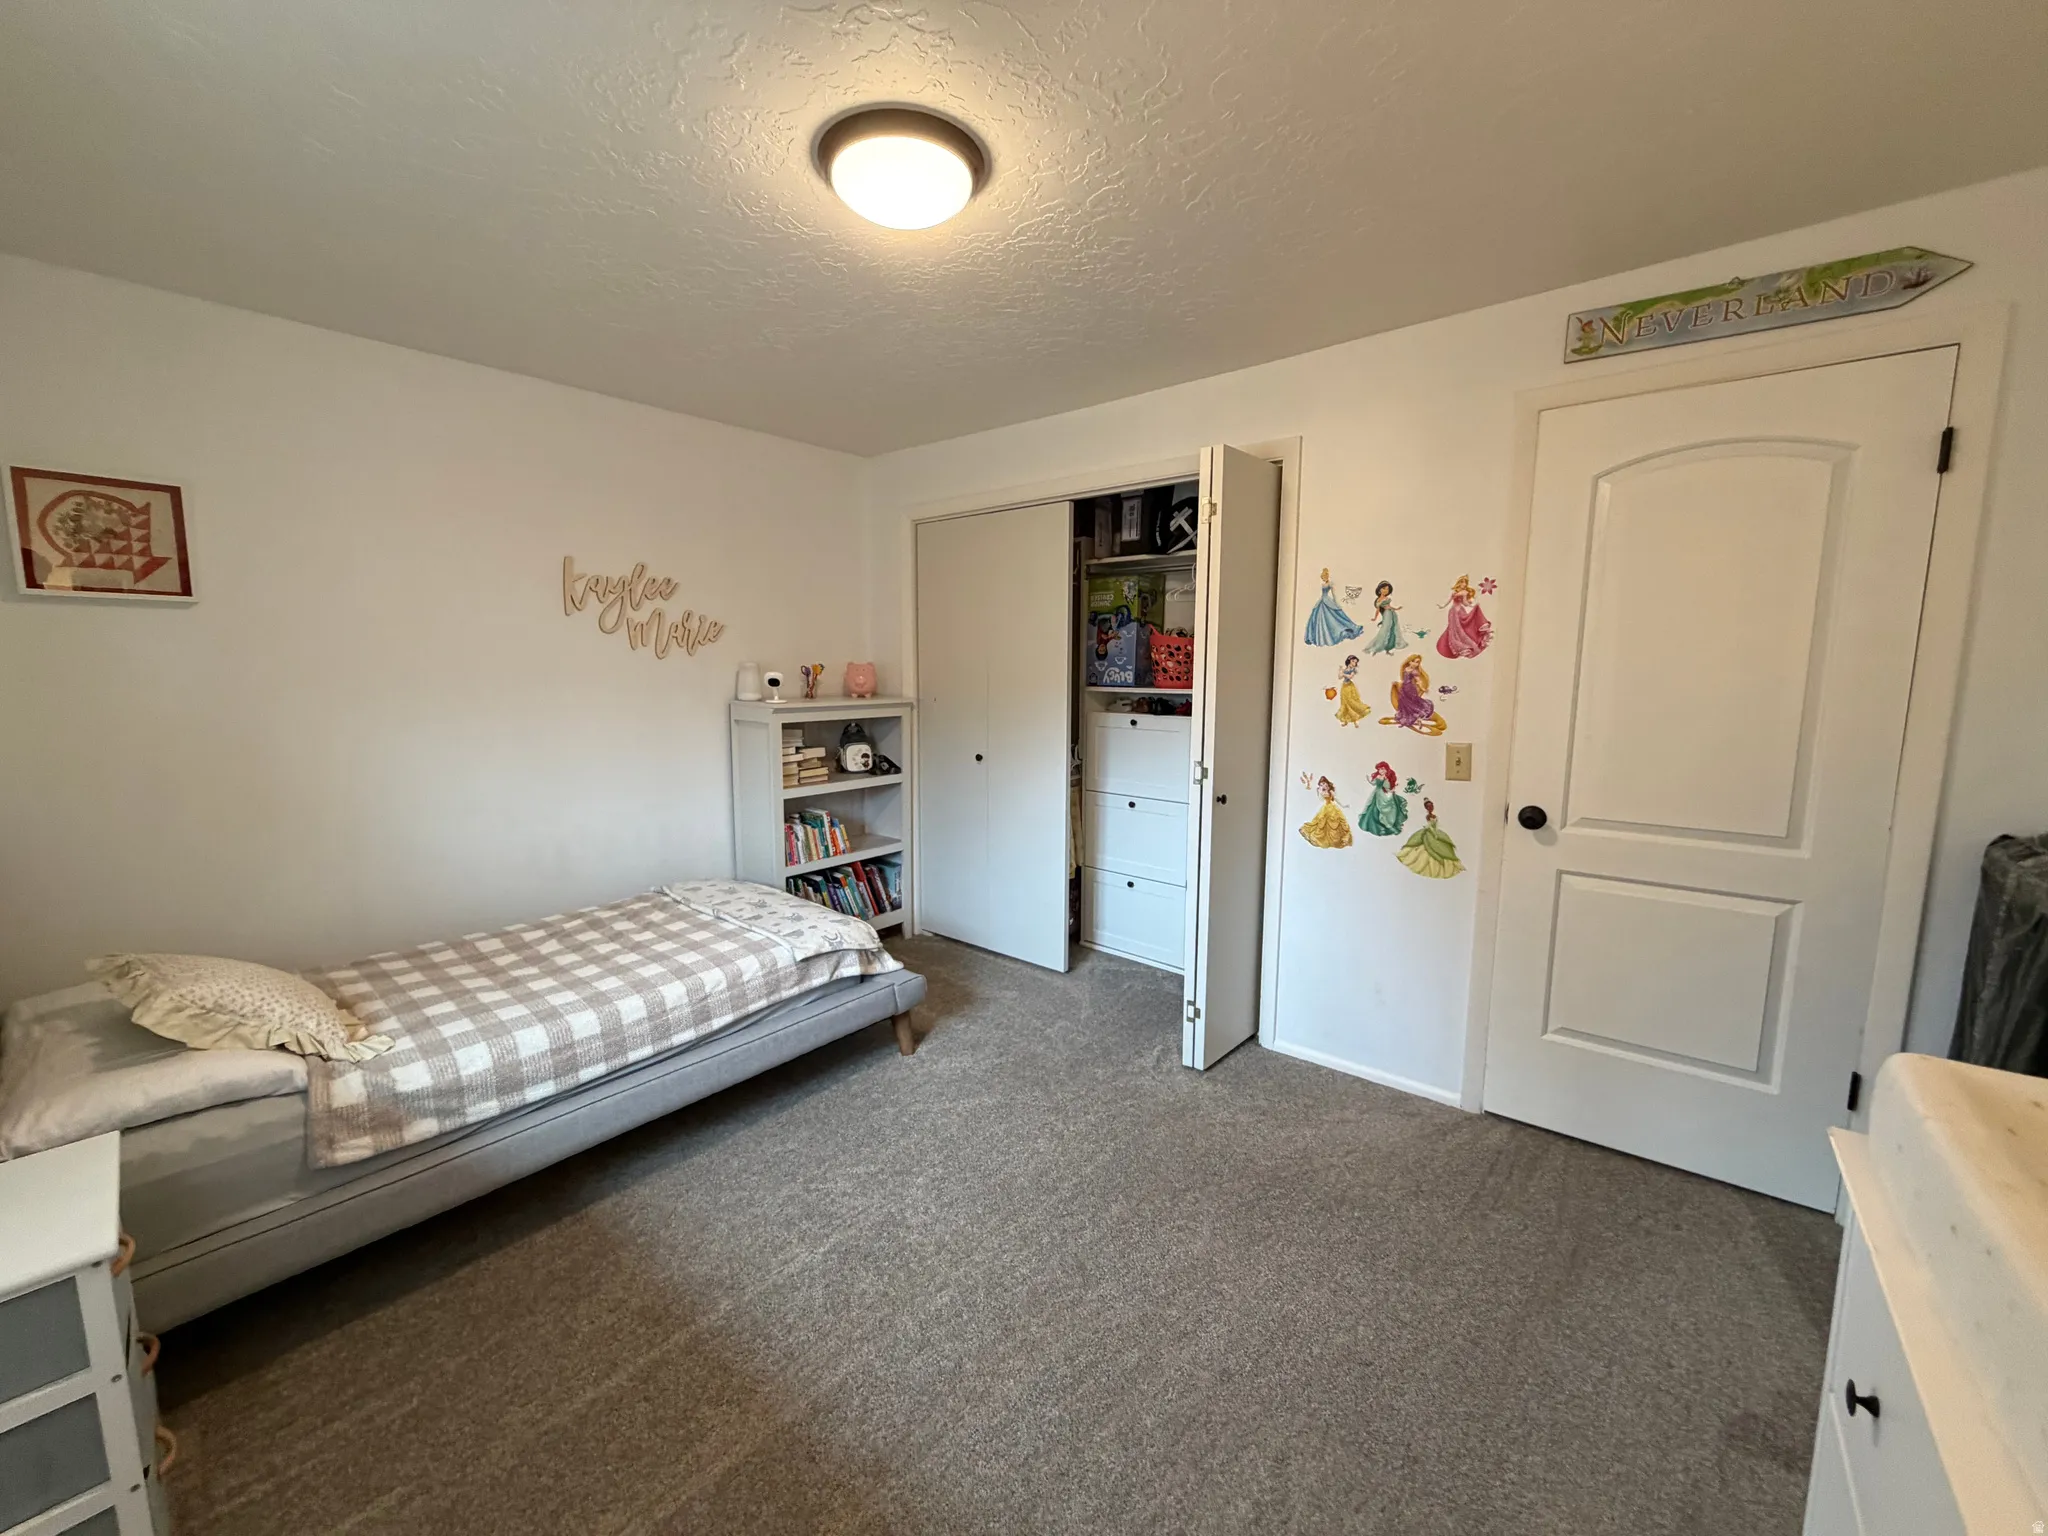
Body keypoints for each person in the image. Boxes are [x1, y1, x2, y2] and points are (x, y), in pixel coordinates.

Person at [1380, 654, 1448, 735]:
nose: (1415, 664)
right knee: (1405, 703)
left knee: (1414, 703)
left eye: (1417, 662)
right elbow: (1404, 679)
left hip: (1411, 690)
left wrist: (1423, 688)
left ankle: (1418, 718)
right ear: (1409, 661)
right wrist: (1397, 684)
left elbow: (1418, 680)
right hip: (1404, 689)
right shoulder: (1406, 669)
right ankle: (1411, 717)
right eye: (1414, 661)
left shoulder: (1414, 671)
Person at [1396, 799, 1464, 878]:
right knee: (1429, 845)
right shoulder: (1428, 816)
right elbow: (1430, 826)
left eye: (1431, 806)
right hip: (1430, 831)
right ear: (1427, 808)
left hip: (1436, 831)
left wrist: (1436, 832)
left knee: (1444, 845)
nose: (1431, 808)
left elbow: (1436, 824)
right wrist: (1434, 833)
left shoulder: (1434, 816)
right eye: (1429, 807)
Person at [1435, 575, 1493, 659]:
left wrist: (1472, 605)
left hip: (1460, 611)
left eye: (1465, 583)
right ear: (1460, 583)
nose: (1464, 584)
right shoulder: (1455, 591)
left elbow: (1465, 603)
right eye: (1463, 582)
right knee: (1453, 629)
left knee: (1462, 627)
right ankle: (1457, 645)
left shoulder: (1465, 592)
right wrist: (1442, 606)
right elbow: (1449, 601)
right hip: (1453, 612)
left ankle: (1467, 644)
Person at [1304, 568, 1365, 645]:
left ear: (1327, 576)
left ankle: (1342, 630)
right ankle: (1321, 637)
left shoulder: (1330, 584)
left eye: (1325, 577)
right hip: (1322, 600)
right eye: (1323, 577)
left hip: (1328, 600)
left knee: (1334, 616)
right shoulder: (1322, 584)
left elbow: (1334, 594)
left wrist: (1336, 604)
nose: (1324, 578)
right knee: (1318, 616)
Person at [1298, 773, 1353, 848]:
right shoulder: (1322, 792)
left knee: (1338, 823)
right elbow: (1320, 799)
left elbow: (1336, 799)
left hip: (1333, 808)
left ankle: (1339, 839)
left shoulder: (1330, 792)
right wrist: (1319, 791)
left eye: (1324, 784)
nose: (1323, 785)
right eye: (1321, 784)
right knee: (1320, 823)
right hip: (1325, 808)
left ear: (1327, 784)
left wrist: (1343, 805)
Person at [1357, 761, 1409, 837]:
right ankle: (1375, 825)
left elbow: (1388, 787)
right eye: (1379, 769)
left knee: (1390, 808)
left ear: (1386, 769)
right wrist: (1368, 780)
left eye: (1382, 769)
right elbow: (1374, 783)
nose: (1380, 771)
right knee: (1373, 808)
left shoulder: (1387, 778)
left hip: (1384, 794)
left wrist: (1391, 789)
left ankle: (1389, 824)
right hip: (1377, 794)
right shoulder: (1378, 777)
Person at [1362, 581, 1408, 655]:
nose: (1386, 590)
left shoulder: (1387, 598)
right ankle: (1376, 647)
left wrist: (1396, 609)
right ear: (1379, 589)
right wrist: (1375, 618)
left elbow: (1389, 606)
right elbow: (1378, 610)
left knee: (1393, 629)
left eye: (1387, 589)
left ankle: (1388, 649)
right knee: (1385, 630)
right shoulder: (1378, 600)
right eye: (1384, 588)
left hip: (1392, 614)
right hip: (1386, 615)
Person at [1333, 654, 1369, 726]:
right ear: (1349, 661)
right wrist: (1341, 671)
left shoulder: (1353, 670)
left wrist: (1343, 673)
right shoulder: (1345, 669)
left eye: (1355, 662)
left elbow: (1350, 676)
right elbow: (1339, 677)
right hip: (1344, 687)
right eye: (1353, 661)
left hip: (1350, 687)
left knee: (1352, 702)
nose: (1354, 663)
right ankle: (1345, 721)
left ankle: (1355, 721)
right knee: (1344, 703)